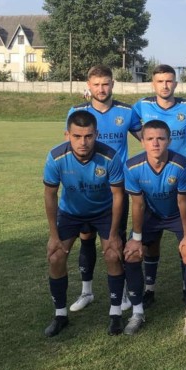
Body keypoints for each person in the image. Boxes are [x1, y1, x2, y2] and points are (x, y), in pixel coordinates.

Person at [66, 65, 142, 314]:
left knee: (115, 241)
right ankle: (86, 292)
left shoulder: (126, 112)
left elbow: (149, 139)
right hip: (87, 189)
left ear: (112, 84)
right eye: (96, 84)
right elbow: (70, 147)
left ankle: (122, 294)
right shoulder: (76, 112)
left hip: (115, 189)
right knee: (86, 239)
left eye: (106, 83)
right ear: (88, 86)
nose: (101, 89)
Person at [42, 110, 125, 337]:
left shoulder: (110, 157)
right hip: (71, 213)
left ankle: (116, 313)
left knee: (113, 255)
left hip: (103, 212)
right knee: (56, 257)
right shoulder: (56, 157)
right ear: (67, 135)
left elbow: (118, 195)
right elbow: (50, 195)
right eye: (77, 136)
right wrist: (53, 235)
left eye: (88, 136)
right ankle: (60, 315)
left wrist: (114, 234)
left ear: (96, 134)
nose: (83, 142)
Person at [132, 64, 186, 307]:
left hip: (182, 179)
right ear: (153, 83)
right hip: (152, 182)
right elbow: (131, 124)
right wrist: (147, 146)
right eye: (160, 81)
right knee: (151, 242)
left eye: (169, 81)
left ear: (175, 83)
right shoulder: (142, 105)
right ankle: (149, 288)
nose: (165, 85)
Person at [122, 120, 186, 336]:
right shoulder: (132, 166)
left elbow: (183, 202)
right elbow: (137, 204)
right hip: (151, 215)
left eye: (160, 138)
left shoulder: (183, 164)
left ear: (169, 140)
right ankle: (137, 312)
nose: (155, 143)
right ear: (142, 142)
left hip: (179, 214)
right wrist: (136, 238)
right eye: (150, 139)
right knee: (132, 254)